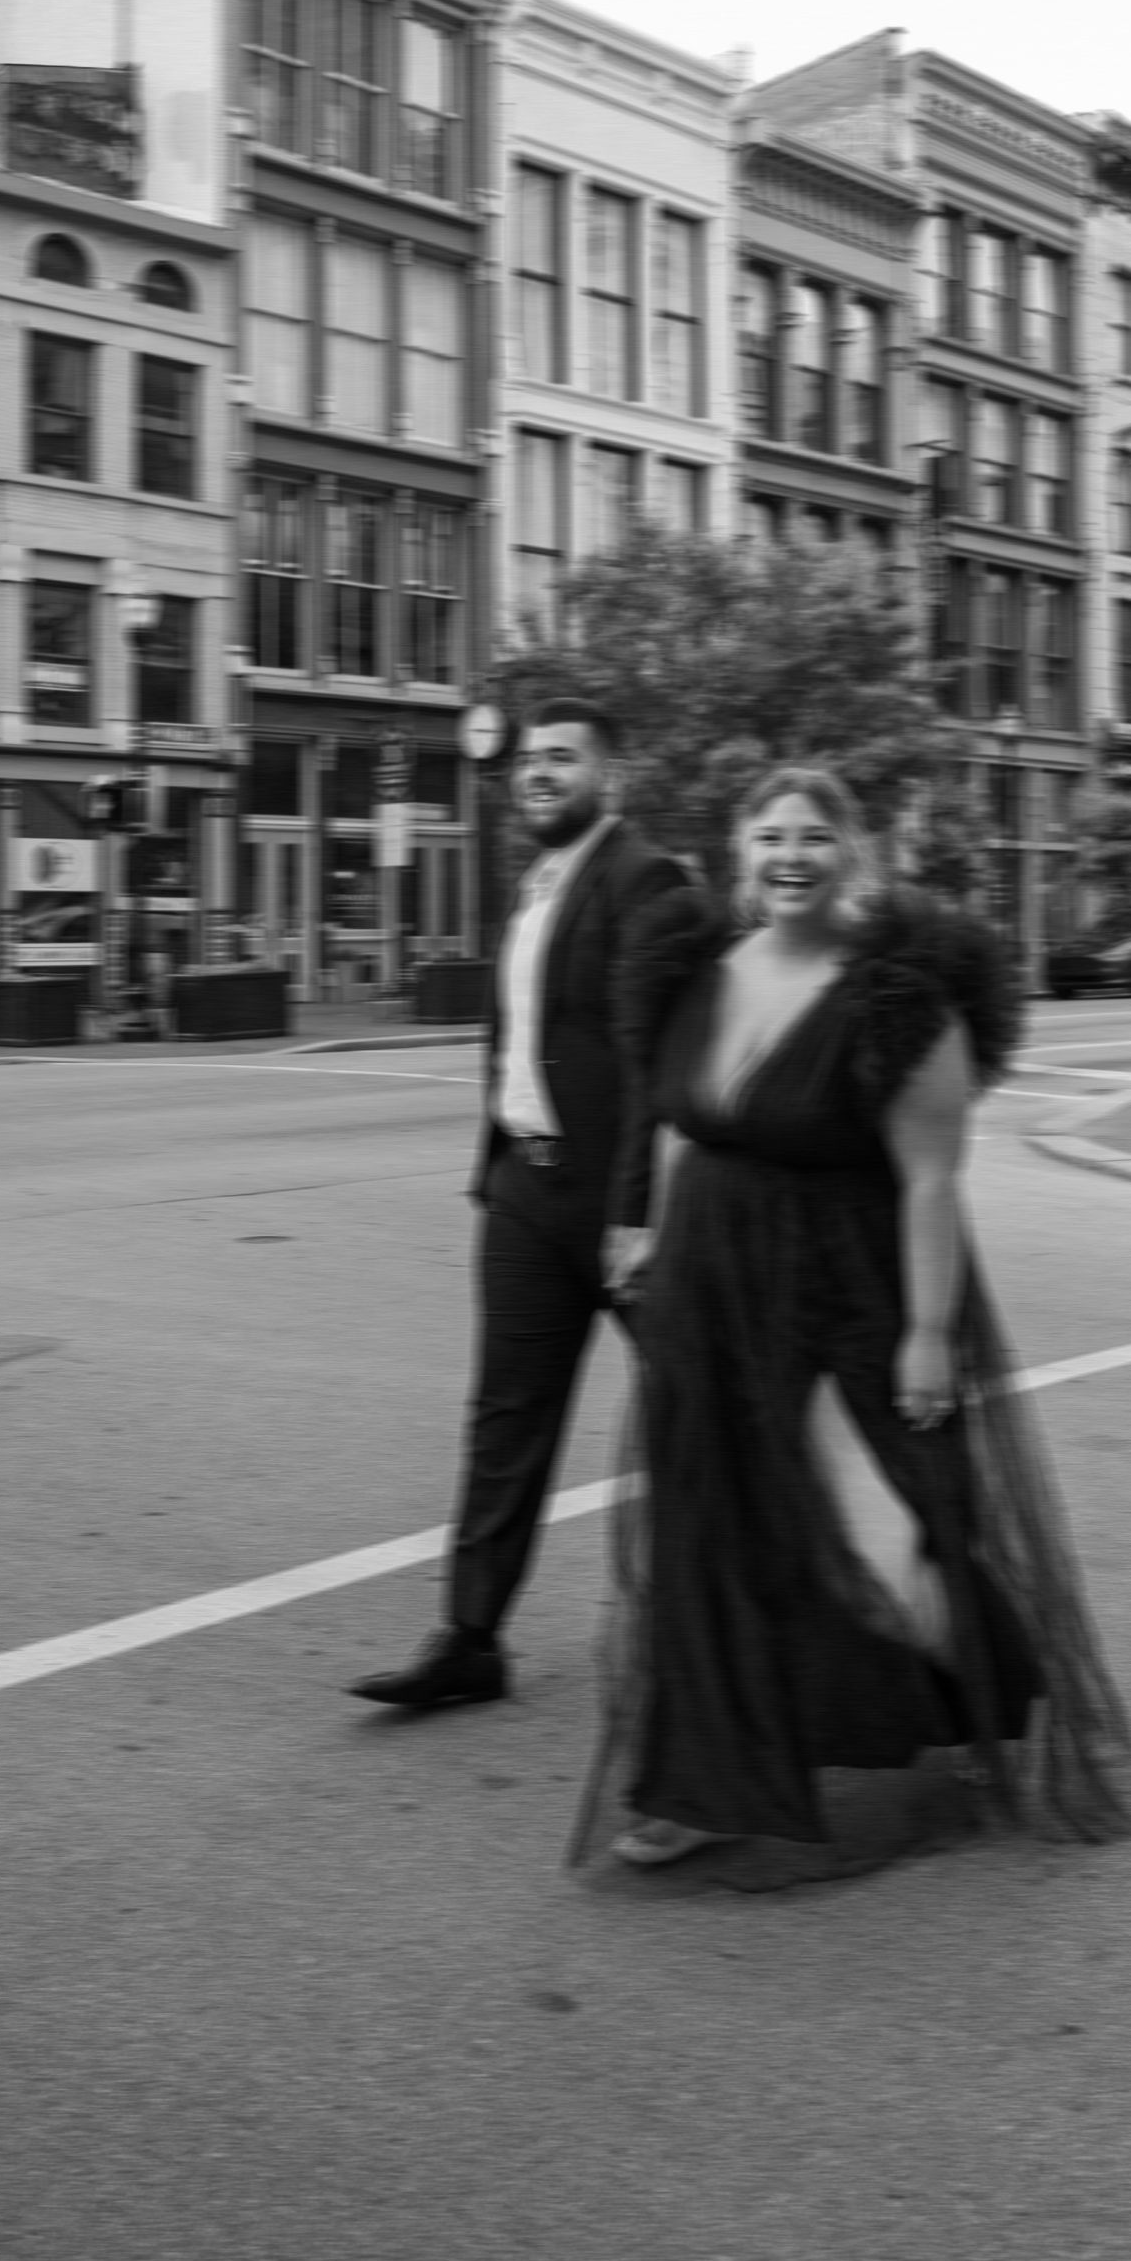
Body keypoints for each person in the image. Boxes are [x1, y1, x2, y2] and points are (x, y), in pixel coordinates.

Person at [573, 764, 1131, 1873]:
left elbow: (930, 1178)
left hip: (843, 1292)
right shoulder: (696, 971)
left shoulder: (896, 994)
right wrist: (640, 1234)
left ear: (853, 854)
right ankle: (702, 1782)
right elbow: (679, 1125)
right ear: (741, 853)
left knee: (881, 1543)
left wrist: (928, 1335)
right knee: (708, 1539)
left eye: (813, 838)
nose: (790, 856)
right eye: (770, 836)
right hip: (707, 1295)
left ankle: (983, 1685)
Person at [349, 701, 690, 1713]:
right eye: (531, 760)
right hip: (524, 1197)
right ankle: (471, 1637)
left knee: (702, 1411)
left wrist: (634, 1215)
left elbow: (646, 1063)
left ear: (609, 780)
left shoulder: (646, 880)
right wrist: (497, 1169)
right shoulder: (535, 884)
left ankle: (750, 1620)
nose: (539, 773)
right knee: (505, 1422)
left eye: (563, 758)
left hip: (619, 1212)